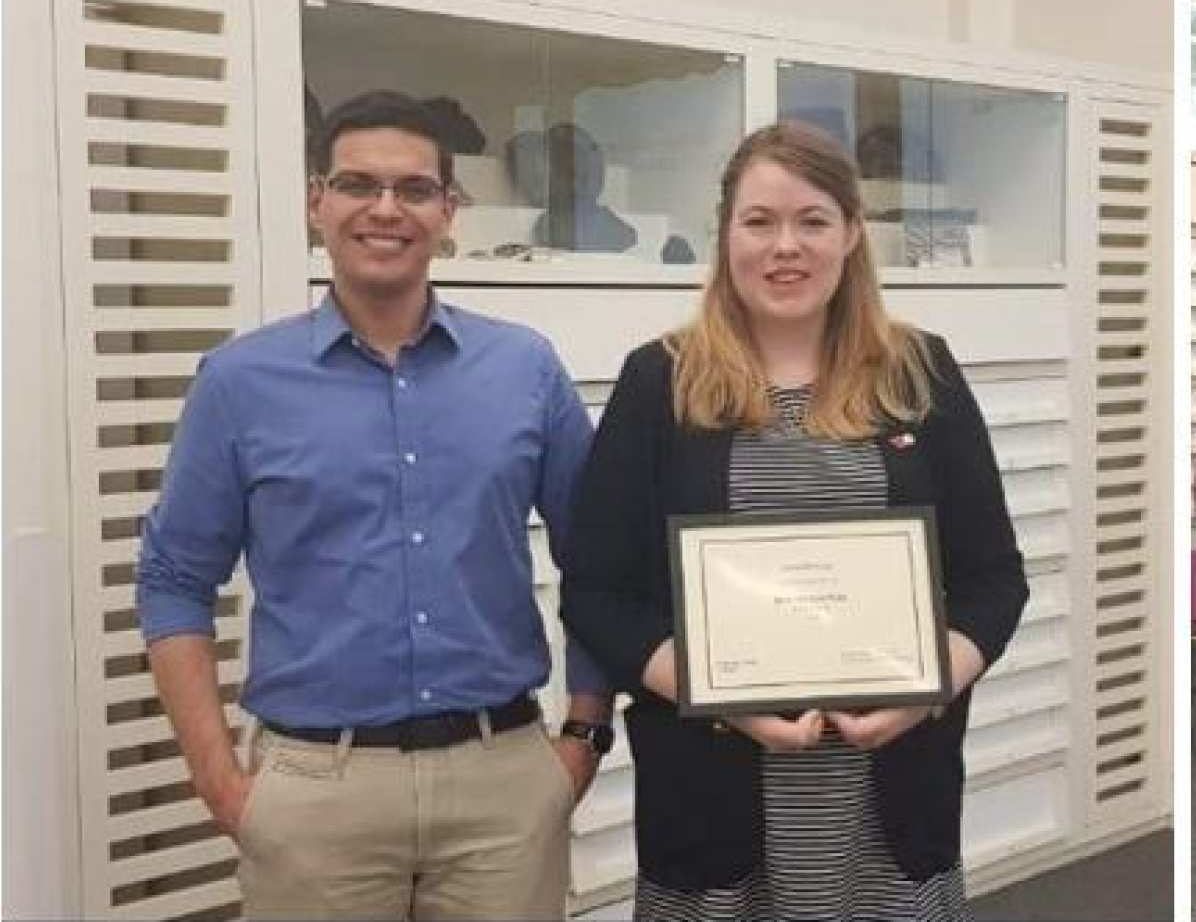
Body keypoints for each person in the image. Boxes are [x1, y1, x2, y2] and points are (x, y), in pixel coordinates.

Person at [137, 90, 614, 920]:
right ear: (316, 201)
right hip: (317, 794)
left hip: (502, 787)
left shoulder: (525, 369)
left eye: (414, 189)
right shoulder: (240, 383)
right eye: (358, 184)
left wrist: (583, 736)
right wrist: (219, 780)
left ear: (448, 211)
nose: (385, 209)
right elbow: (173, 580)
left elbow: (601, 561)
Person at [559, 121, 1029, 922]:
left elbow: (994, 581)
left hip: (891, 795)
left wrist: (925, 693)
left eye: (813, 221)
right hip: (711, 793)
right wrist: (720, 696)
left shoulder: (922, 374)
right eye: (760, 221)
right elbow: (597, 593)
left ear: (851, 233)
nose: (786, 246)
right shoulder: (660, 382)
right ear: (726, 234)